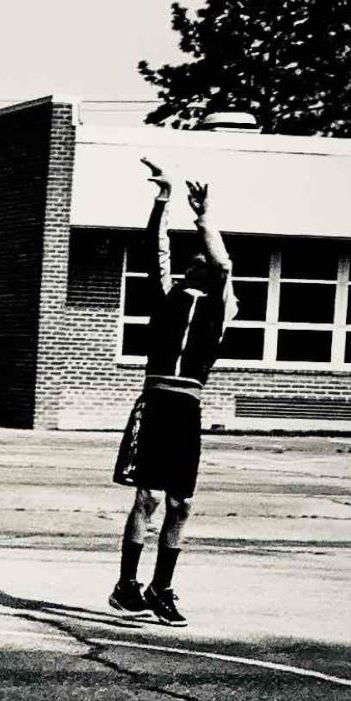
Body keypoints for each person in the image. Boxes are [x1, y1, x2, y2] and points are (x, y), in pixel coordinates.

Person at [111, 163, 233, 627]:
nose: (196, 264)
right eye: (193, 261)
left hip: (187, 409)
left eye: (202, 260)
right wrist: (163, 200)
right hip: (157, 403)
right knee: (148, 498)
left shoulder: (223, 305)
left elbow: (224, 263)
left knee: (182, 503)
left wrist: (203, 217)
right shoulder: (168, 295)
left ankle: (161, 588)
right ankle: (127, 586)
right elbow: (153, 249)